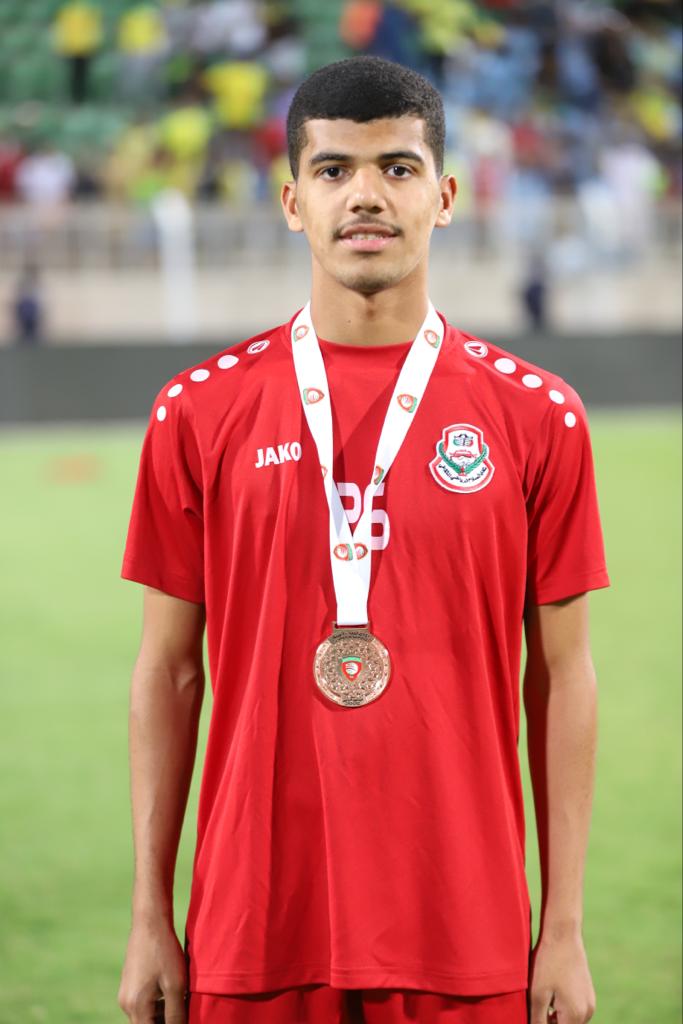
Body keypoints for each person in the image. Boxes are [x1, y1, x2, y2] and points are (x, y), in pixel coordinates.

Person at [118, 56, 608, 1024]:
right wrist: (148, 916)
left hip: (463, 932)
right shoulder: (197, 412)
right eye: (334, 170)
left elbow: (561, 678)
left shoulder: (537, 417)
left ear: (445, 196)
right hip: (252, 929)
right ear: (292, 201)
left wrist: (561, 928)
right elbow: (168, 672)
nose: (366, 196)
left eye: (397, 167)